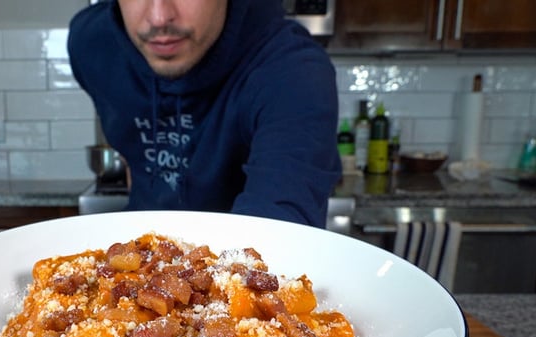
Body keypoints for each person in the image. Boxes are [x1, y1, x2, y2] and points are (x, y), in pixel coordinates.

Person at [68, 0, 341, 227]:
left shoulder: (294, 70)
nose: (159, 17)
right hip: (143, 254)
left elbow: (279, 230)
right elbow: (131, 151)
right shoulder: (92, 45)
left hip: (236, 264)